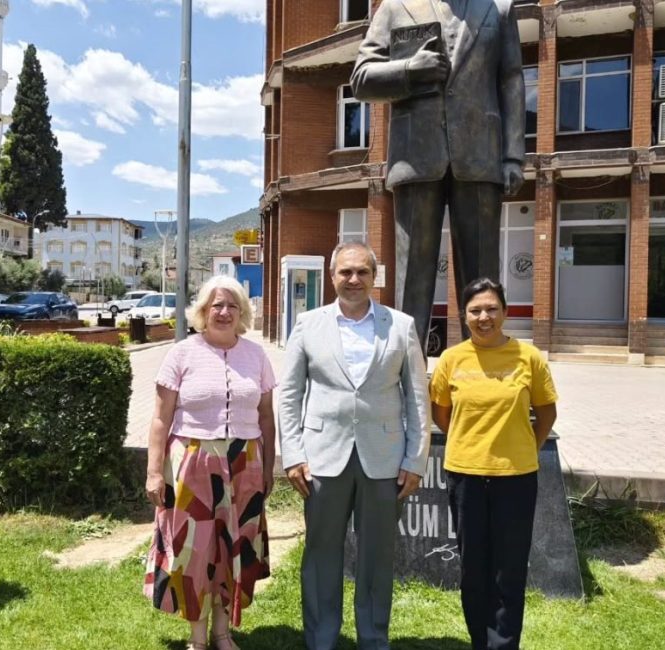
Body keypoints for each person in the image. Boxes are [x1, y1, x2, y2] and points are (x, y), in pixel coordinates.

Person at [278, 241, 430, 650]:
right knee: (321, 553)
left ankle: (373, 638)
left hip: (384, 460)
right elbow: (289, 395)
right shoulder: (308, 324)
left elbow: (417, 397)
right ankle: (322, 639)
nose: (353, 279)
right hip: (322, 459)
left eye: (362, 272)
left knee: (378, 557)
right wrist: (292, 454)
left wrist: (416, 459)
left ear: (374, 278)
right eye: (345, 272)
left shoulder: (400, 326)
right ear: (332, 277)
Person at [351, 0, 526, 346]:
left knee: (482, 276)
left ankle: (482, 369)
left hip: (480, 155)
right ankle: (406, 371)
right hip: (416, 156)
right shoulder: (395, 8)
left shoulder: (500, 10)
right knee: (411, 276)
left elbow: (511, 80)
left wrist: (513, 156)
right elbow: (361, 78)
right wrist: (409, 70)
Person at [143, 275, 277, 650]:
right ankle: (197, 637)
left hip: (244, 464)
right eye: (216, 305)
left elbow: (266, 417)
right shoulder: (182, 353)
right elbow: (159, 417)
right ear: (203, 311)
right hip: (192, 462)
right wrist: (155, 472)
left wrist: (267, 468)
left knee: (234, 549)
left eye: (232, 305)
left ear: (242, 312)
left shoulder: (256, 355)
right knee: (194, 550)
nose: (224, 312)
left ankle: (223, 632)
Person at [429, 278, 558, 650]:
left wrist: (523, 448)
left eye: (491, 309)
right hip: (465, 475)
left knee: (510, 569)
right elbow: (442, 415)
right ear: (463, 315)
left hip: (515, 478)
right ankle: (478, 641)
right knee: (473, 569)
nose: (484, 317)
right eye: (475, 310)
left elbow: (546, 413)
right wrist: (472, 443)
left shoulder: (528, 357)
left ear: (505, 312)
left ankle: (503, 644)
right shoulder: (452, 360)